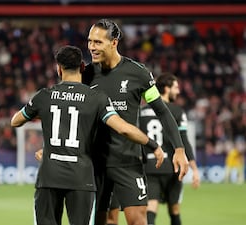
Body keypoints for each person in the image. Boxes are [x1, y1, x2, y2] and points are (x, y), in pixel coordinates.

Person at [11, 45, 164, 225]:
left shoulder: (44, 96)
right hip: (81, 178)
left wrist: (44, 112)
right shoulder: (96, 98)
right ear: (83, 67)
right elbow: (123, 128)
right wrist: (152, 144)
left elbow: (15, 121)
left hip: (49, 176)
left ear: (58, 68)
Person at [83, 19, 189, 225]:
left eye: (97, 42)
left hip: (128, 160)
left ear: (114, 42)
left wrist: (179, 148)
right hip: (96, 163)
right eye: (90, 41)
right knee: (106, 221)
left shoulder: (138, 73)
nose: (91, 47)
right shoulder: (86, 74)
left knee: (139, 221)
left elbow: (162, 111)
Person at [139, 73, 200, 225]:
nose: (178, 91)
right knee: (174, 210)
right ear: (166, 89)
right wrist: (194, 169)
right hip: (173, 168)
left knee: (151, 208)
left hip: (150, 167)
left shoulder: (141, 112)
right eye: (176, 88)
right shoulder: (177, 111)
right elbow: (184, 141)